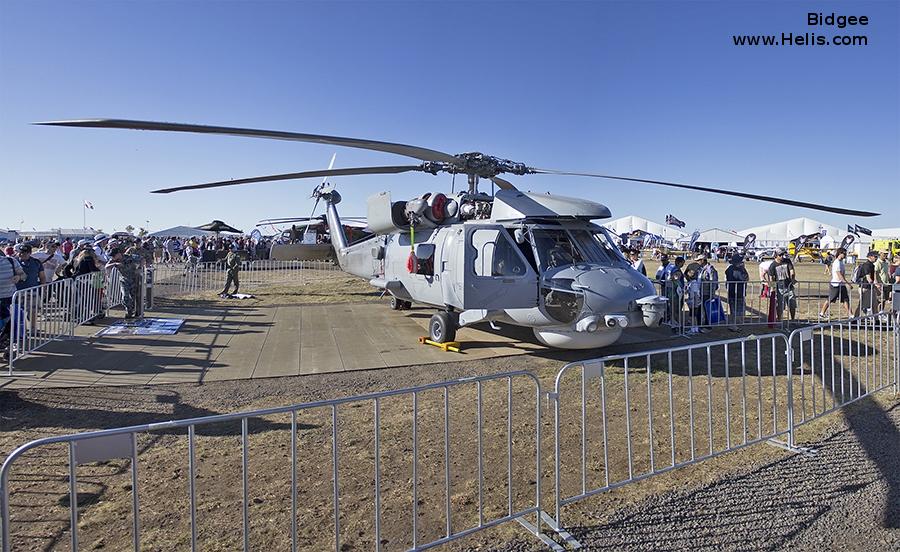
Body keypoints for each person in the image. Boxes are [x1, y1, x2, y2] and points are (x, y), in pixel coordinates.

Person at [106, 247, 143, 319]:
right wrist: (115, 264)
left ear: (119, 253)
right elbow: (106, 266)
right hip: (124, 280)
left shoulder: (129, 256)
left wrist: (140, 268)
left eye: (114, 255)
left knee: (134, 296)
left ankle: (135, 311)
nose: (113, 257)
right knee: (125, 296)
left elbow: (142, 259)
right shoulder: (113, 260)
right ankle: (128, 310)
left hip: (134, 279)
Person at [819, 247, 852, 319]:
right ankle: (822, 313)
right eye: (844, 253)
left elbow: (842, 275)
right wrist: (847, 284)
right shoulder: (837, 263)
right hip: (835, 284)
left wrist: (845, 283)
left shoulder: (841, 263)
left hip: (841, 284)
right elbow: (839, 275)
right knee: (830, 299)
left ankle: (850, 315)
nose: (845, 255)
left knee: (845, 299)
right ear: (840, 253)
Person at [766, 248, 796, 324]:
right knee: (780, 306)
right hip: (779, 288)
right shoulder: (773, 265)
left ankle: (792, 320)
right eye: (780, 255)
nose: (782, 256)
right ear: (776, 255)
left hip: (789, 287)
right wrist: (772, 288)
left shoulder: (787, 261)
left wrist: (793, 278)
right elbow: (771, 278)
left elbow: (792, 271)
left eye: (783, 254)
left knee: (792, 304)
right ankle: (779, 320)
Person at [725, 253, 748, 331]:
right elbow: (744, 278)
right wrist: (743, 269)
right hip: (737, 291)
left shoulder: (729, 269)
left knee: (733, 309)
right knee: (735, 309)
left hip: (733, 291)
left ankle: (734, 324)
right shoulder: (737, 270)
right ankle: (733, 325)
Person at [695, 253, 718, 327]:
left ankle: (707, 325)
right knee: (700, 309)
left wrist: (712, 294)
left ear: (702, 260)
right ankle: (700, 324)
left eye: (698, 260)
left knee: (706, 310)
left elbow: (713, 282)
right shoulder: (701, 269)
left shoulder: (710, 269)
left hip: (706, 293)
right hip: (700, 292)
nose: (697, 262)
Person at [855, 251, 877, 316]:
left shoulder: (871, 265)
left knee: (874, 304)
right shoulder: (867, 265)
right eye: (875, 256)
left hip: (870, 287)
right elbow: (869, 278)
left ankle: (876, 320)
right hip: (865, 287)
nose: (876, 258)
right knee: (861, 305)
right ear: (870, 257)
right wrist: (876, 286)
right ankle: (855, 319)